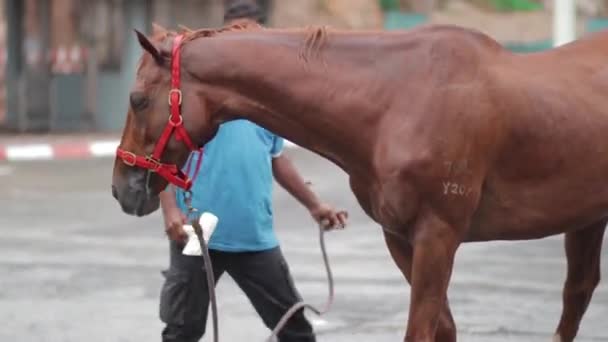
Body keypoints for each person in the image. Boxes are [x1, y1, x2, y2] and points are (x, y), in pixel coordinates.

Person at [157, 2, 348, 342]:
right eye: (233, 34)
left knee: (296, 332)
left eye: (248, 34)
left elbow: (277, 158)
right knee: (181, 332)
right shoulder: (196, 96)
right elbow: (164, 158)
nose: (240, 41)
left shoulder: (267, 103)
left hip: (254, 237)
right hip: (197, 234)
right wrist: (170, 211)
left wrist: (315, 205)